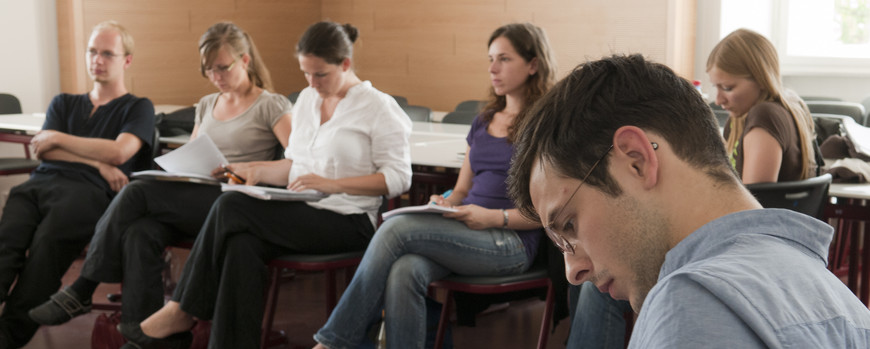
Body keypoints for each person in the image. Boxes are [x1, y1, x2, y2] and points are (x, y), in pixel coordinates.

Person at [508, 54, 870, 348]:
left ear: (636, 160)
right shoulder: (842, 302)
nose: (573, 271)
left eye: (568, 225)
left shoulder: (692, 305)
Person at [115, 21, 412, 349]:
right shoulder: (307, 102)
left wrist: (332, 183)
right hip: (303, 207)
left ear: (346, 64)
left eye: (320, 75)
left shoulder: (379, 108)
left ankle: (182, 309)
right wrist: (255, 172)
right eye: (305, 74)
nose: (312, 83)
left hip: (350, 220)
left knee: (230, 205)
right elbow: (294, 167)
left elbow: (398, 179)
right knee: (242, 244)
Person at [27, 22, 292, 330]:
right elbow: (194, 154)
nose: (216, 77)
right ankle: (144, 336)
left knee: (137, 192)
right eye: (208, 70)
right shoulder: (207, 104)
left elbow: (297, 163)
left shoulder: (271, 104)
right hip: (200, 194)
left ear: (245, 60)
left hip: (233, 204)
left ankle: (83, 287)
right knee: (141, 231)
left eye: (222, 68)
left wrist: (251, 169)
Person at [312, 22, 555, 349]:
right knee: (404, 270)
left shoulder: (546, 128)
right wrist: (444, 202)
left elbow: (548, 214)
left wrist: (492, 218)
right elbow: (460, 191)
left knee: (395, 229)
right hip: (467, 231)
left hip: (509, 242)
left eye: (504, 59)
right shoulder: (483, 121)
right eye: (490, 59)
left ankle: (333, 341)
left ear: (533, 65)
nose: (492, 68)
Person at [0, 21, 155, 348]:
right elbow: (45, 149)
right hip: (39, 185)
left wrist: (60, 139)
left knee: (43, 256)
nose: (97, 59)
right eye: (92, 51)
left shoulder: (137, 107)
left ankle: (7, 338)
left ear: (126, 60)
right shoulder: (63, 103)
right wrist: (97, 161)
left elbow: (120, 151)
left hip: (86, 195)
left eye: (107, 54)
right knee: (5, 246)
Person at [708, 28, 817, 184]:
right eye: (715, 87)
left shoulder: (765, 116)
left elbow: (757, 203)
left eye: (727, 88)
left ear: (760, 79)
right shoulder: (789, 105)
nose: (718, 101)